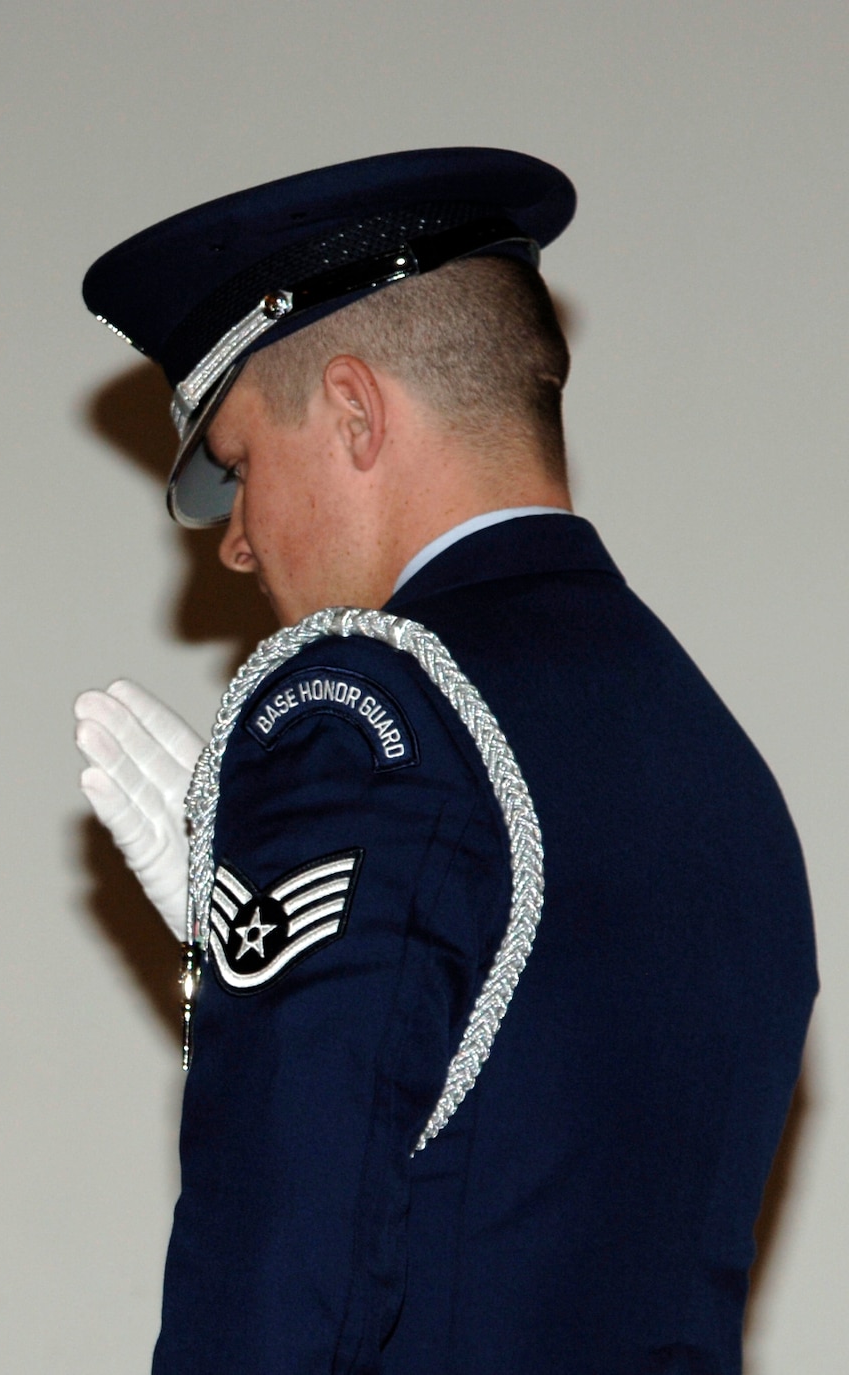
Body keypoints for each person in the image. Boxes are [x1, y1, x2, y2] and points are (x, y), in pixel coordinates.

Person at [71, 148, 815, 1372]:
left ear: (355, 413)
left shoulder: (360, 711)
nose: (239, 546)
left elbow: (279, 1278)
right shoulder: (703, 747)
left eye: (241, 466)